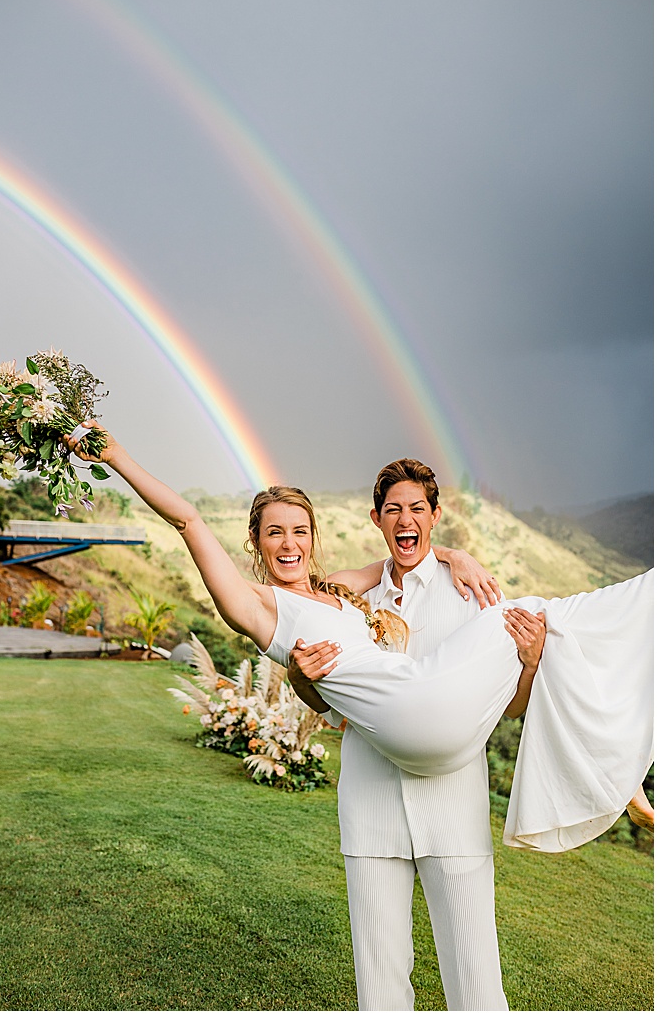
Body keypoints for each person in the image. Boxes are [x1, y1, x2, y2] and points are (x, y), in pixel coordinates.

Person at [67, 421, 653, 846]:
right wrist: (114, 453)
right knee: (526, 608)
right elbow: (188, 519)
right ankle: (617, 759)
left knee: (535, 624)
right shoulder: (257, 606)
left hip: (429, 704)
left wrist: (456, 552)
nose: (290, 544)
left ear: (314, 536)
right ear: (256, 543)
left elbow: (412, 550)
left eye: (300, 530)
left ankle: (616, 763)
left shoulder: (342, 588)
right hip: (408, 711)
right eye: (275, 533)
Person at [282, 458, 527, 1010]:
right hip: (371, 808)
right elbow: (329, 707)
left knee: (476, 982)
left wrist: (529, 664)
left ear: (435, 516)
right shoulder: (348, 600)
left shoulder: (474, 592)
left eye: (417, 508)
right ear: (376, 518)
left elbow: (507, 708)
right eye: (393, 509)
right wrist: (298, 677)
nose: (404, 518)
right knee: (379, 981)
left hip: (454, 809)